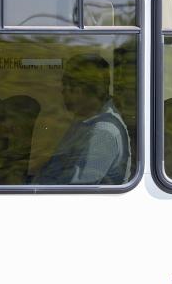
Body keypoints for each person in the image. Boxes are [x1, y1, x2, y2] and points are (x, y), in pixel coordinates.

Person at [34, 54, 131, 185]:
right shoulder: (84, 120)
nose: (62, 91)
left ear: (85, 89)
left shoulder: (103, 132)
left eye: (68, 85)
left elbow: (78, 189)